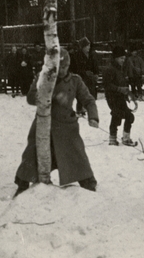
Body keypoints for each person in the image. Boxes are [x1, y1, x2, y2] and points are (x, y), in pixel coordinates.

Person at [13, 48, 100, 195]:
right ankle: (23, 184)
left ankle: (87, 181)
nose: (62, 70)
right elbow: (30, 97)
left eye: (65, 67)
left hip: (67, 127)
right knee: (32, 152)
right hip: (43, 124)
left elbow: (89, 100)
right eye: (60, 67)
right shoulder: (43, 77)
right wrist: (49, 96)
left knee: (76, 153)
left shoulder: (75, 80)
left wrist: (93, 117)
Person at [103, 45, 136, 146]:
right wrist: (119, 89)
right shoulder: (110, 69)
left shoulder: (119, 69)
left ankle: (120, 138)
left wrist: (126, 93)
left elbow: (121, 83)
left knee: (127, 116)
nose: (123, 60)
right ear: (116, 58)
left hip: (119, 97)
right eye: (121, 58)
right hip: (112, 98)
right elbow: (107, 85)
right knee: (118, 115)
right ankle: (116, 139)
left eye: (124, 58)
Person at [72, 37, 99, 116]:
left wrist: (96, 74)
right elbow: (75, 69)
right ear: (83, 47)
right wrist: (85, 72)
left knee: (91, 94)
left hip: (91, 79)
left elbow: (95, 66)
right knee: (81, 93)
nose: (88, 47)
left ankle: (90, 109)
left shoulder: (91, 55)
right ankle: (80, 109)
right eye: (87, 46)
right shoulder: (77, 56)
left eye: (89, 46)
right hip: (82, 78)